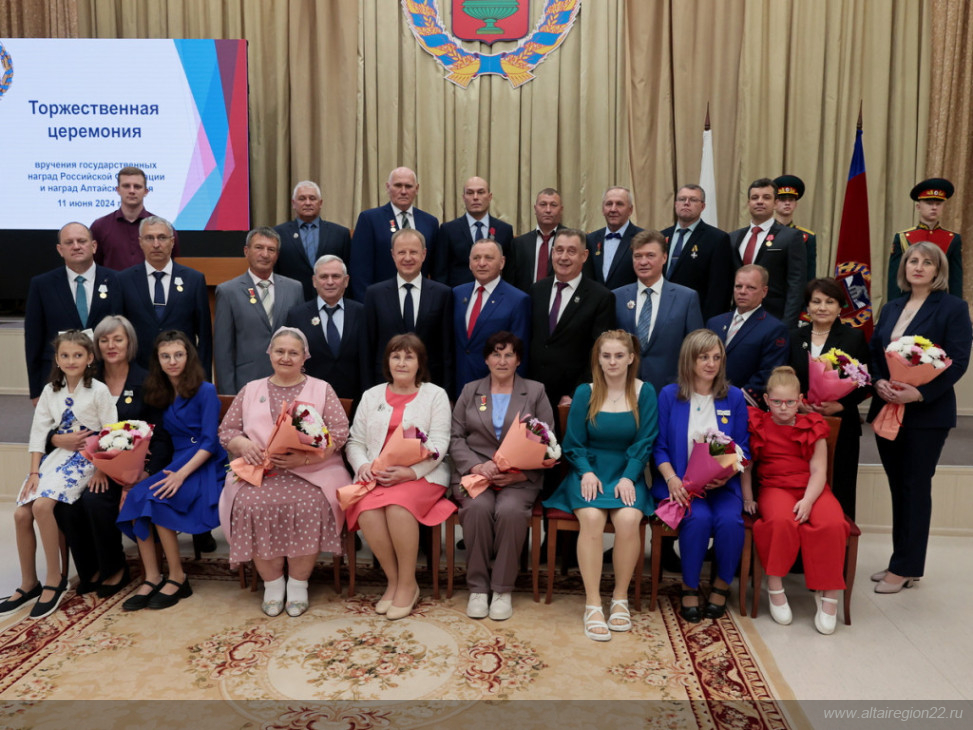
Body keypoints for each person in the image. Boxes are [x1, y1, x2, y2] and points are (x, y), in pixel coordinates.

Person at [219, 327, 351, 617]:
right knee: (250, 503)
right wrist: (243, 445)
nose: (286, 357)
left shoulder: (321, 388)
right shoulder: (251, 389)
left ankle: (299, 584)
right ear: (270, 353)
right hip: (260, 470)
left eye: (294, 352)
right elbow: (227, 430)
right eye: (280, 351)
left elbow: (340, 432)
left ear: (305, 357)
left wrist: (304, 459)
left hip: (314, 469)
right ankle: (273, 583)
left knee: (311, 503)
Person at [867, 242, 972, 593]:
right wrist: (879, 381)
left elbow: (958, 361)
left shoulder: (953, 307)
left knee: (915, 487)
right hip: (888, 408)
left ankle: (906, 568)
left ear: (938, 270)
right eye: (913, 260)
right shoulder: (892, 307)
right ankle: (901, 561)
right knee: (899, 487)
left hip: (927, 413)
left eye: (928, 262)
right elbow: (875, 352)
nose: (919, 266)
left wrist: (919, 393)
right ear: (904, 267)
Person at [544, 330, 657, 641]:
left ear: (631, 358)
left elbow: (646, 440)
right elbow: (573, 441)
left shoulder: (645, 392)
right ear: (598, 359)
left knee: (629, 519)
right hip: (589, 472)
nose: (612, 362)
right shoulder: (586, 392)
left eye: (619, 355)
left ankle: (620, 598)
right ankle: (593, 603)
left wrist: (629, 476)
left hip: (627, 471)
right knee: (592, 518)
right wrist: (586, 472)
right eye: (606, 356)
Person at [0, 331, 115, 620]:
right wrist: (33, 472)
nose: (71, 360)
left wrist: (101, 468)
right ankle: (29, 583)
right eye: (65, 355)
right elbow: (39, 432)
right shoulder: (51, 391)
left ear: (90, 358)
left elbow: (111, 431)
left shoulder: (99, 390)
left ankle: (56, 579)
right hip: (55, 458)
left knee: (42, 506)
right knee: (21, 514)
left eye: (78, 355)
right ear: (57, 359)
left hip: (86, 457)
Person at [53, 316, 171, 598]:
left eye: (118, 339)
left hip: (137, 468)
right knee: (65, 503)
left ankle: (115, 568)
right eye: (104, 340)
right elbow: (70, 424)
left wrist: (148, 472)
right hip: (92, 465)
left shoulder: (148, 380)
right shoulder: (86, 381)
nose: (111, 345)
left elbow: (162, 436)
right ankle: (91, 570)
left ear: (130, 343)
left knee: (94, 500)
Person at [345, 334, 455, 620]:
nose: (402, 363)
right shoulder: (371, 395)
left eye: (409, 357)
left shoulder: (435, 395)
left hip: (422, 474)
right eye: (396, 356)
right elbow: (355, 442)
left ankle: (408, 584)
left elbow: (440, 444)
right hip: (377, 475)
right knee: (366, 510)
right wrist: (363, 465)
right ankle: (394, 582)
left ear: (420, 363)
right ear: (388, 362)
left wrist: (410, 472)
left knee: (397, 507)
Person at [116, 331, 227, 610]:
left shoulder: (205, 390)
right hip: (175, 460)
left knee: (158, 499)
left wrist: (181, 474)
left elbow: (210, 442)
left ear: (189, 357)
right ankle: (152, 577)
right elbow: (155, 435)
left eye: (178, 355)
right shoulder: (158, 391)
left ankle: (178, 577)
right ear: (158, 360)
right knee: (137, 496)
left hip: (203, 464)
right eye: (165, 356)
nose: (172, 361)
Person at [450, 332, 553, 621]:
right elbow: (455, 437)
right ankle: (478, 588)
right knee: (477, 509)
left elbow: (548, 440)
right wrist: (476, 467)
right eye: (496, 354)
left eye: (509, 355)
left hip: (518, 478)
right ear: (486, 359)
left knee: (510, 511)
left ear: (518, 360)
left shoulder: (535, 391)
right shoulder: (471, 391)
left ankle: (502, 588)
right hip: (476, 475)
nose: (502, 360)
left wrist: (520, 474)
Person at [651, 329, 750, 623]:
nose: (711, 364)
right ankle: (689, 586)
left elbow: (744, 448)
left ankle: (721, 585)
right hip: (682, 484)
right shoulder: (670, 395)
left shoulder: (733, 397)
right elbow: (659, 447)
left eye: (716, 357)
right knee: (699, 519)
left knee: (730, 521)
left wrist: (728, 472)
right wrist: (672, 479)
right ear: (689, 359)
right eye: (704, 357)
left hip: (722, 485)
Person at [747, 366, 851, 635]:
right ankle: (775, 586)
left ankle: (829, 593)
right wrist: (748, 497)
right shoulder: (758, 424)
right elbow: (746, 466)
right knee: (780, 521)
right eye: (777, 402)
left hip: (812, 489)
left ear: (800, 400)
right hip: (775, 487)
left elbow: (819, 471)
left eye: (790, 402)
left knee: (832, 523)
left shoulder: (813, 425)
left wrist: (807, 501)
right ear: (766, 400)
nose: (783, 408)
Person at [789, 278, 871, 519]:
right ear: (807, 306)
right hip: (799, 423)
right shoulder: (793, 337)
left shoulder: (853, 338)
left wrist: (840, 405)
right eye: (816, 302)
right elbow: (783, 377)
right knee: (799, 486)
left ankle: (839, 538)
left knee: (840, 488)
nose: (822, 307)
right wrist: (798, 404)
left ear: (840, 307)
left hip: (841, 424)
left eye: (829, 302)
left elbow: (865, 381)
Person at [24, 222, 122, 402]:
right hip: (57, 377)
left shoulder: (117, 280)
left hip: (106, 375)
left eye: (82, 241)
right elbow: (33, 341)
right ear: (60, 250)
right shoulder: (42, 285)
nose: (76, 246)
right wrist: (36, 390)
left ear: (94, 246)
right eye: (69, 242)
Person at [528, 228, 615, 416]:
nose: (564, 257)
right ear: (552, 253)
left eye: (571, 251)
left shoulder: (600, 297)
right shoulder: (537, 290)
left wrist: (577, 393)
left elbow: (599, 352)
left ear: (584, 256)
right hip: (533, 394)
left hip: (571, 400)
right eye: (559, 250)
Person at [214, 227, 304, 395]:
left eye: (271, 249)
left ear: (277, 255)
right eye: (259, 247)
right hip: (246, 384)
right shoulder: (228, 291)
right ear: (246, 251)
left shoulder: (294, 289)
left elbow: (301, 341)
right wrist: (229, 395)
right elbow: (223, 351)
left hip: (289, 383)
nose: (265, 254)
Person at [613, 230, 703, 396]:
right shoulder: (616, 297)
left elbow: (696, 350)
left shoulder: (686, 298)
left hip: (672, 392)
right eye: (638, 256)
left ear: (664, 258)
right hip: (624, 391)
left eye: (650, 255)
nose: (643, 262)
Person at [118, 216, 212, 373]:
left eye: (162, 237)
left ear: (172, 242)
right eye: (149, 238)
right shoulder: (124, 280)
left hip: (183, 373)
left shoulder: (194, 280)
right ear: (140, 242)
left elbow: (204, 336)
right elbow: (119, 331)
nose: (156, 244)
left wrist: (203, 378)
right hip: (139, 373)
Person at [364, 228, 453, 393]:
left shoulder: (442, 294)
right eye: (401, 252)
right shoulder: (374, 294)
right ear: (393, 255)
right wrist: (369, 390)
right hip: (384, 385)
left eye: (413, 252)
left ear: (424, 254)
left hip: (430, 385)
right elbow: (367, 348)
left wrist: (447, 392)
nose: (407, 258)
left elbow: (447, 349)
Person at [283, 255, 368, 401]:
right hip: (309, 399)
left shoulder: (362, 312)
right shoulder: (297, 315)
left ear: (346, 281)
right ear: (314, 281)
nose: (330, 282)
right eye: (323, 277)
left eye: (335, 276)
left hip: (354, 398)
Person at [452, 239, 531, 395]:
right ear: (470, 263)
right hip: (458, 386)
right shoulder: (457, 294)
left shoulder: (518, 300)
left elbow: (519, 354)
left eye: (488, 258)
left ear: (502, 263)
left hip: (496, 389)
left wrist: (512, 395)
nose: (481, 263)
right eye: (476, 258)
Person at [349, 167, 440, 300]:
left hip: (420, 300)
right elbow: (360, 270)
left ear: (416, 189)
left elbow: (436, 268)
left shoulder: (430, 222)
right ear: (388, 187)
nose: (403, 191)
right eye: (398, 185)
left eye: (408, 186)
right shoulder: (370, 219)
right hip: (381, 300)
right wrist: (366, 304)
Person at [706, 265, 789, 406]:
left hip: (743, 405)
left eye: (750, 287)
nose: (742, 292)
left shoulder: (774, 329)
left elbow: (769, 373)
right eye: (738, 286)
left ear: (764, 291)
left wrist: (736, 400)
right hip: (707, 399)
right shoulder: (714, 323)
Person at [729, 178, 806, 327]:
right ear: (748, 203)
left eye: (766, 197)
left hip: (774, 318)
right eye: (755, 198)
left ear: (775, 203)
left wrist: (787, 325)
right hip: (737, 317)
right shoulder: (733, 237)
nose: (760, 202)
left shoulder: (790, 237)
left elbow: (796, 286)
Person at [661, 184, 735, 321]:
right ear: (675, 204)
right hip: (661, 314)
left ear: (703, 206)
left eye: (693, 200)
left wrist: (709, 324)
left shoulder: (717, 239)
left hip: (695, 316)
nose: (686, 203)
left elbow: (719, 289)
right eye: (682, 199)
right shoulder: (661, 236)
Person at [273, 181, 352, 302]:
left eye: (312, 198)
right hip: (291, 301)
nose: (308, 203)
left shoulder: (340, 234)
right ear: (293, 203)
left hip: (331, 301)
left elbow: (348, 271)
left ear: (320, 203)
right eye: (302, 198)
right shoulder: (278, 234)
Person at [90, 166, 180, 271]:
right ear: (118, 190)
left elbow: (173, 263)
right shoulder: (100, 227)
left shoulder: (164, 228)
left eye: (137, 187)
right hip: (113, 282)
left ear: (146, 191)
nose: (132, 191)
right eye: (126, 186)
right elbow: (93, 264)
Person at [887, 178, 963, 299]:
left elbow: (955, 279)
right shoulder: (903, 237)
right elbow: (895, 278)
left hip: (940, 301)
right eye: (929, 203)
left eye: (938, 204)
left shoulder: (953, 238)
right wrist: (894, 306)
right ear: (918, 207)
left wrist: (956, 306)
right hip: (910, 298)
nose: (934, 207)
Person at [434, 176, 514, 287]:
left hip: (495, 294)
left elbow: (509, 272)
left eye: (480, 192)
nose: (475, 197)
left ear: (490, 197)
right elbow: (440, 273)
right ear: (463, 197)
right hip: (458, 294)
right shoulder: (448, 230)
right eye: (470, 193)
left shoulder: (504, 230)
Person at [504, 188, 566, 293]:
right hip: (526, 300)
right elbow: (510, 283)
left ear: (561, 209)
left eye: (553, 205)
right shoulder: (519, 244)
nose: (548, 210)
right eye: (543, 204)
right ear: (535, 208)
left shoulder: (572, 241)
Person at [583, 186, 643, 290]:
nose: (613, 209)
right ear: (603, 209)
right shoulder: (590, 239)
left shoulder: (643, 238)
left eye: (619, 204)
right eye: (609, 204)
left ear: (630, 210)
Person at [773, 175, 817, 282]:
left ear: (796, 204)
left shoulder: (807, 237)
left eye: (791, 199)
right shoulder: (764, 233)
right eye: (782, 199)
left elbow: (810, 273)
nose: (787, 203)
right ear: (774, 204)